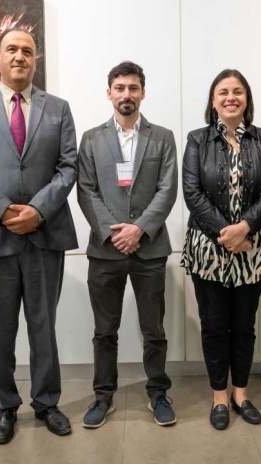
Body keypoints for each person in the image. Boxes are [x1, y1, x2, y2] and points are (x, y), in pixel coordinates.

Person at [0, 28, 78, 444]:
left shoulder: (58, 109)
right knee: (0, 330)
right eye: (12, 49)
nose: (20, 56)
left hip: (45, 236)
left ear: (35, 59)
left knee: (44, 328)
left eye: (28, 50)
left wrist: (38, 210)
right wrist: (5, 210)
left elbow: (68, 168)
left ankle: (46, 403)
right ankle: (4, 407)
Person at [77, 61, 178, 429]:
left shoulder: (162, 136)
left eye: (133, 88)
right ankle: (103, 396)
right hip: (105, 251)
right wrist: (115, 232)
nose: (126, 95)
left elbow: (168, 191)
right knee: (105, 331)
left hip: (149, 249)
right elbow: (85, 191)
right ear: (109, 93)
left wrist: (138, 230)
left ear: (143, 93)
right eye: (119, 88)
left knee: (154, 330)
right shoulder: (90, 139)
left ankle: (158, 393)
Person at [182, 69, 261, 430]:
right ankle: (219, 396)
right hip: (209, 248)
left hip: (253, 248)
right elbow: (192, 193)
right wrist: (228, 233)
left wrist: (245, 228)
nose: (230, 97)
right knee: (213, 325)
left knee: (244, 326)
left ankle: (241, 393)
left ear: (246, 99)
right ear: (213, 101)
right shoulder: (197, 140)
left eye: (238, 91)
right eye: (223, 92)